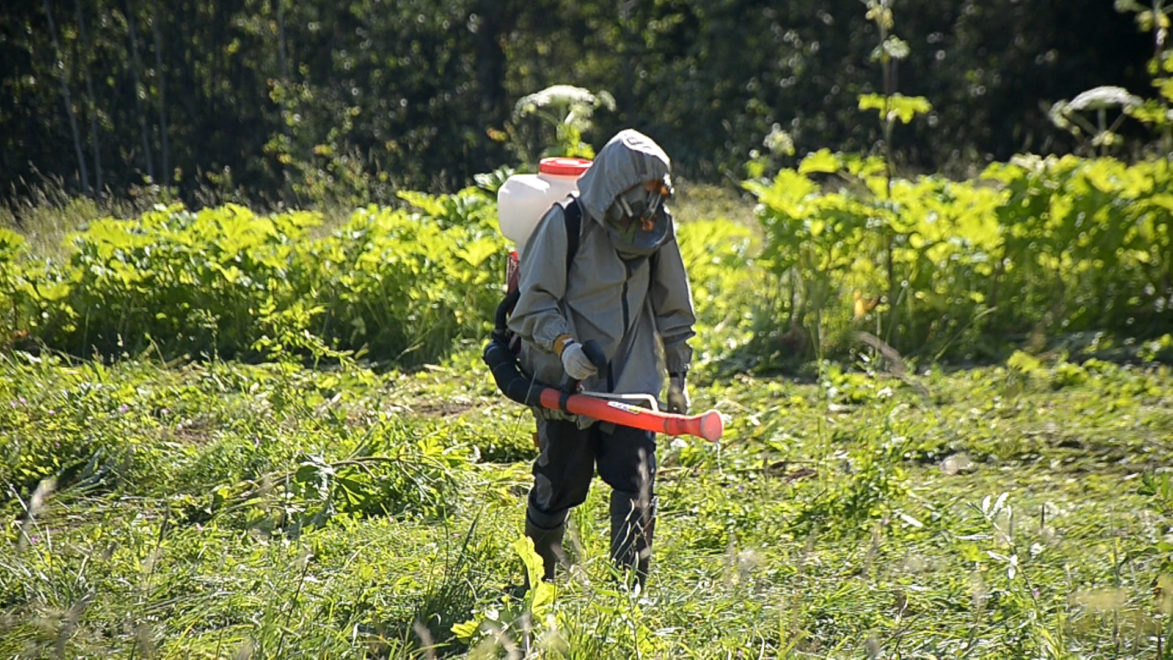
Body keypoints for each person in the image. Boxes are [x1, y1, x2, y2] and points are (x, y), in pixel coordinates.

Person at [508, 128, 697, 589]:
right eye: (641, 194)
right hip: (567, 381)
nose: (647, 207)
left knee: (636, 480)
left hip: (633, 381)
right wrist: (564, 347)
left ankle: (628, 594)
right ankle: (538, 586)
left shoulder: (658, 229)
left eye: (656, 194)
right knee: (561, 483)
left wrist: (677, 374)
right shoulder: (566, 224)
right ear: (616, 188)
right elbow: (532, 304)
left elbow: (673, 305)